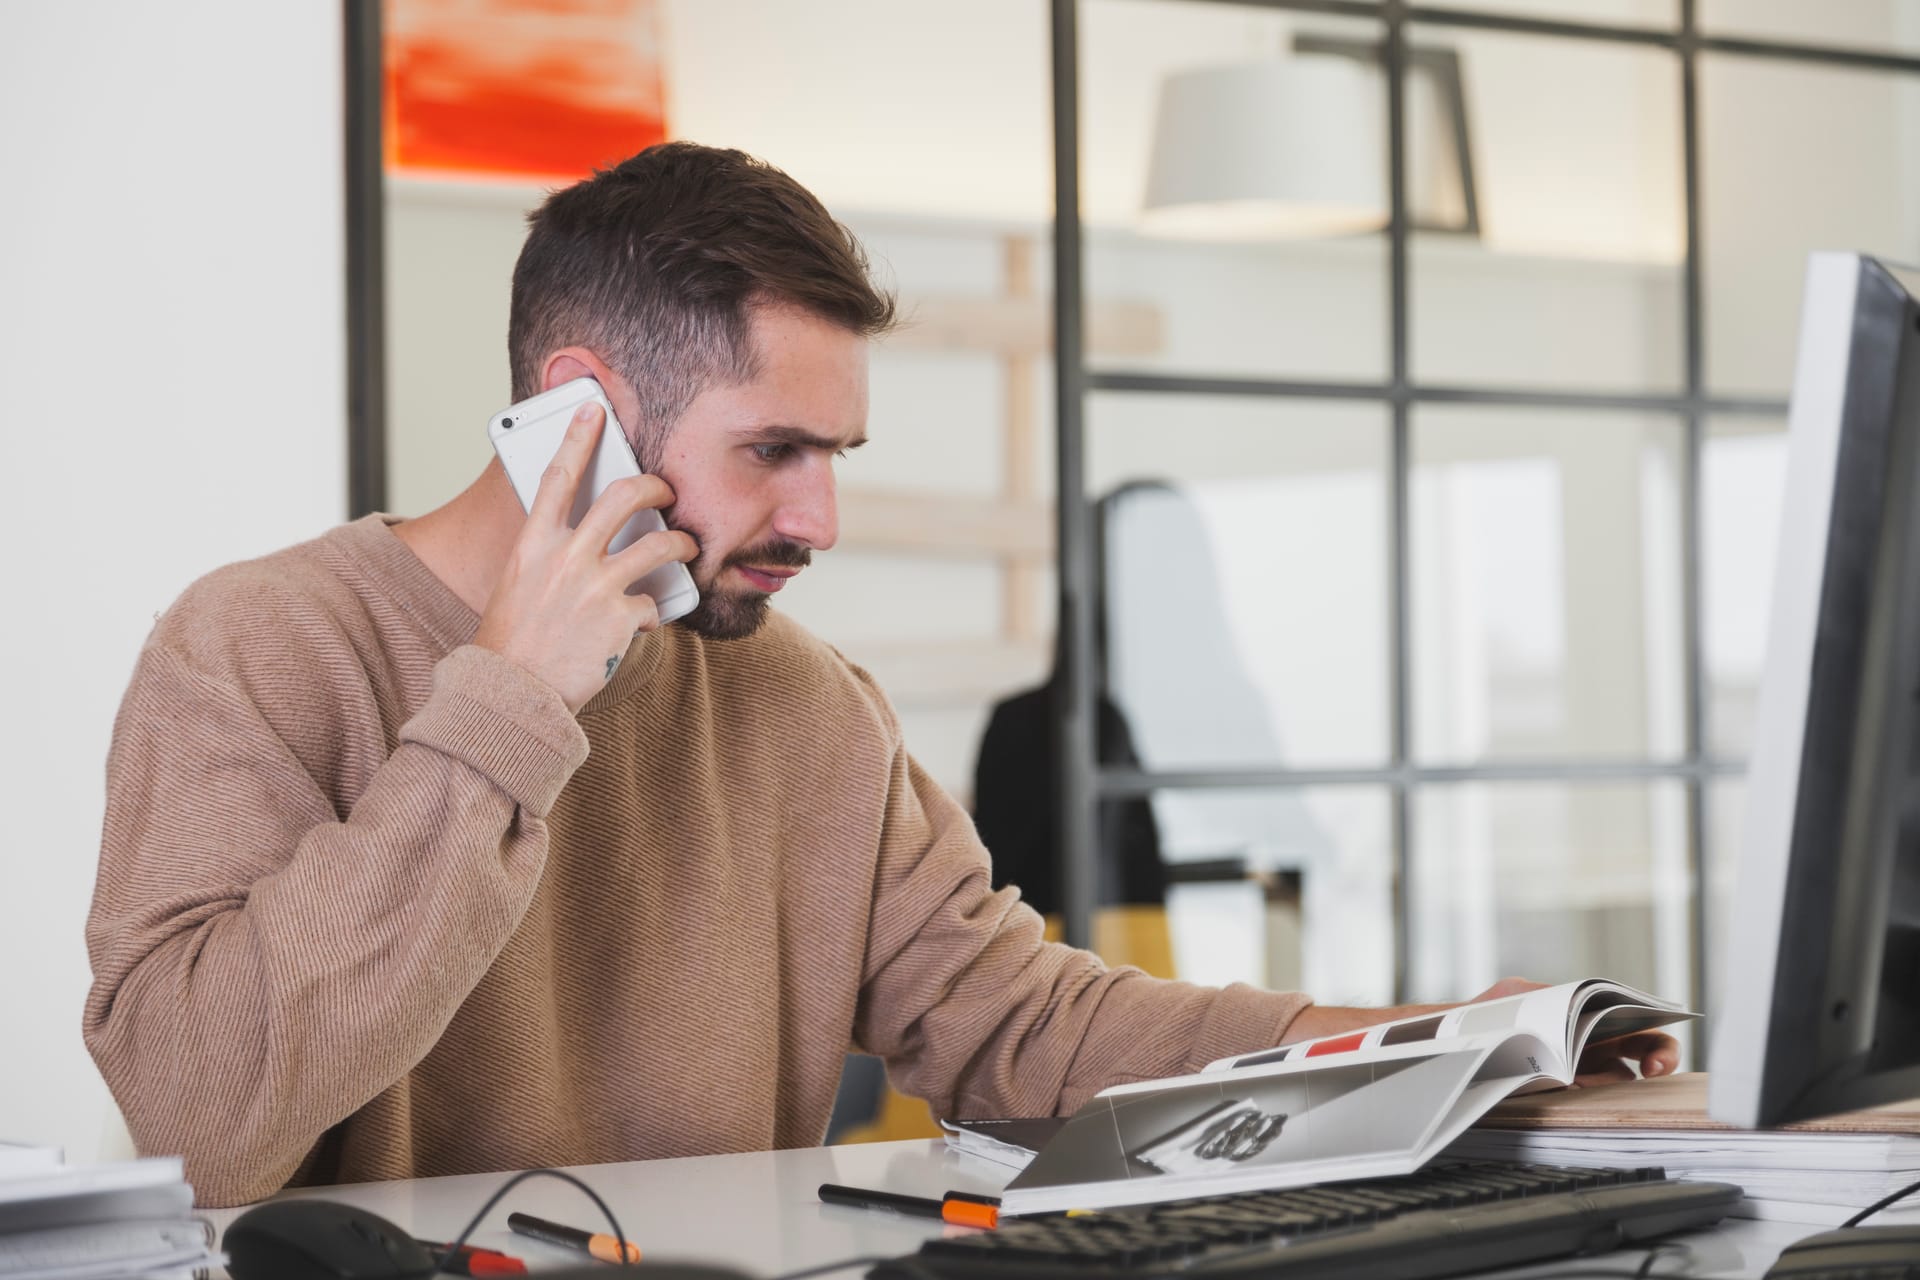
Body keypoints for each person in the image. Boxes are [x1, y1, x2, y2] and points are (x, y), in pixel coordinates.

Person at [81, 142, 1676, 1210]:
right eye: (772, 451)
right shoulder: (259, 646)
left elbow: (1027, 1031)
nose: (819, 518)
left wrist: (1437, 1043)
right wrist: (507, 703)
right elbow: (199, 1115)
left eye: (833, 454)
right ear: (582, 414)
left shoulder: (802, 705)